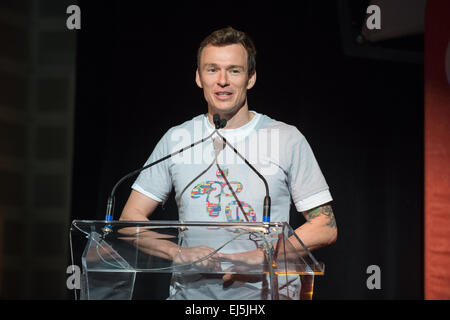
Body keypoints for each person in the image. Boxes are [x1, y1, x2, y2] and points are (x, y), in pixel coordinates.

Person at [119, 26, 337, 299]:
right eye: (212, 70)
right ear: (199, 78)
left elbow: (325, 226)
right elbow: (129, 220)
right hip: (192, 299)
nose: (222, 80)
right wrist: (177, 252)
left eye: (234, 70)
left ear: (251, 78)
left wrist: (262, 256)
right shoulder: (178, 139)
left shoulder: (285, 138)